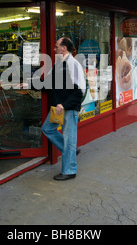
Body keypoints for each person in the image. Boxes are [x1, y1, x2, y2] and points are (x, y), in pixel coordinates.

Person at [42, 37, 86, 181]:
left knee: (69, 138)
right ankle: (71, 152)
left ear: (64, 48)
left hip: (67, 108)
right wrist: (28, 84)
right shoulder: (59, 64)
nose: (54, 49)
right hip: (58, 108)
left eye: (56, 47)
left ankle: (69, 170)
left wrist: (65, 105)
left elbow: (80, 90)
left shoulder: (73, 64)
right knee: (47, 128)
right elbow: (48, 82)